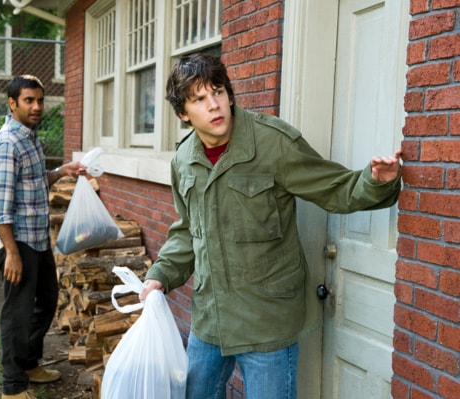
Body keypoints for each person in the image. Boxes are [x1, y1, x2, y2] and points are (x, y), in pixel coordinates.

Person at [139, 53, 402, 399]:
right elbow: (188, 229)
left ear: (230, 95)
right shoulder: (184, 159)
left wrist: (376, 181)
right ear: (183, 114)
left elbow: (334, 187)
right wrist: (160, 275)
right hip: (210, 319)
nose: (214, 105)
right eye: (200, 99)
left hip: (267, 320)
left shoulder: (274, 142)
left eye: (218, 92)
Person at [0, 74, 84, 399]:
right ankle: (12, 388)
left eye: (40, 100)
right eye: (29, 100)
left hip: (37, 240)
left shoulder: (30, 137)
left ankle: (29, 364)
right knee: (17, 314)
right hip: (18, 244)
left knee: (48, 301)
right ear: (12, 103)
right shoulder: (6, 143)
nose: (37, 106)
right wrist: (11, 252)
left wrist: (61, 171)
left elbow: (33, 180)